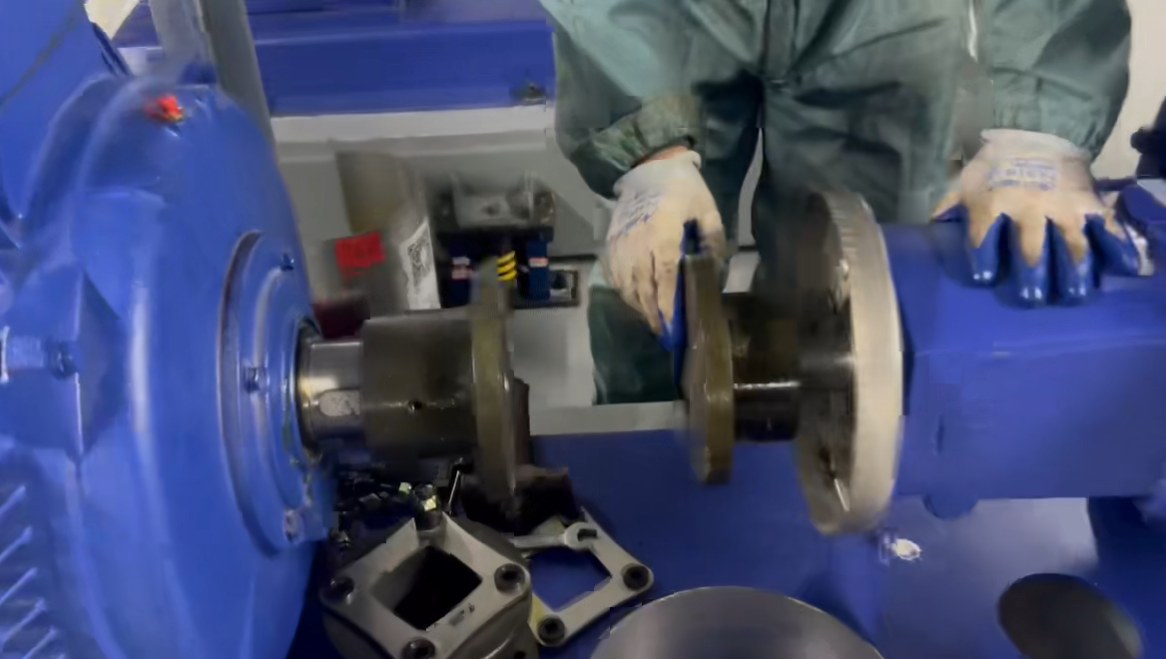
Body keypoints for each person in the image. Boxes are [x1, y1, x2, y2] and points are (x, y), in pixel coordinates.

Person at [538, 0, 1143, 403]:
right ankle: (643, 444)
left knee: (858, 283)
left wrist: (1036, 125)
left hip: (879, 16)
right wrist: (647, 153)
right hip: (663, 11)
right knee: (657, 265)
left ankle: (829, 451)